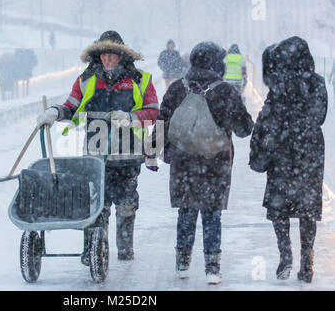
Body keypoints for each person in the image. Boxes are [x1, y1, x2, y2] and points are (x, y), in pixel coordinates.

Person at [35, 30, 159, 263]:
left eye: (112, 55)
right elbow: (71, 106)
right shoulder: (86, 79)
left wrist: (131, 117)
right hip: (95, 156)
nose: (108, 60)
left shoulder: (140, 79)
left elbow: (153, 111)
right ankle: (94, 251)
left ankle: (124, 250)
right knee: (96, 207)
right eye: (104, 55)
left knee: (126, 205)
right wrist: (55, 112)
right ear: (98, 56)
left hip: (127, 155)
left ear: (122, 56)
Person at [149, 41, 254, 284]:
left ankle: (182, 264)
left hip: (183, 163)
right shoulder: (226, 91)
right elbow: (244, 129)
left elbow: (162, 121)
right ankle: (212, 268)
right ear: (217, 63)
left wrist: (151, 154)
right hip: (215, 163)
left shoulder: (177, 89)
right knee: (212, 215)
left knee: (186, 213)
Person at [249, 36, 328, 283]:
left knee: (279, 206)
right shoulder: (317, 82)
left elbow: (269, 116)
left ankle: (285, 255)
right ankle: (307, 260)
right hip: (310, 153)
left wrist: (261, 143)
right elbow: (320, 116)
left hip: (282, 153)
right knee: (307, 209)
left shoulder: (279, 83)